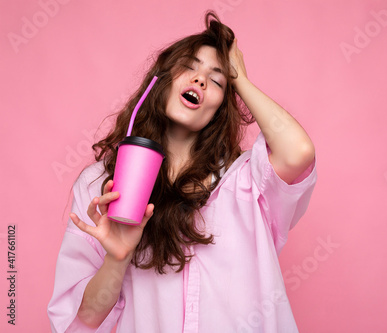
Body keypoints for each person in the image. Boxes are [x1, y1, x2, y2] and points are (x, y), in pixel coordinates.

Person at [48, 11, 317, 333]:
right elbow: (81, 322)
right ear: (160, 81)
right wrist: (117, 259)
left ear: (221, 106)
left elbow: (299, 152)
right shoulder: (102, 186)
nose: (200, 80)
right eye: (189, 68)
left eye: (217, 79)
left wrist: (240, 79)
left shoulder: (247, 180)